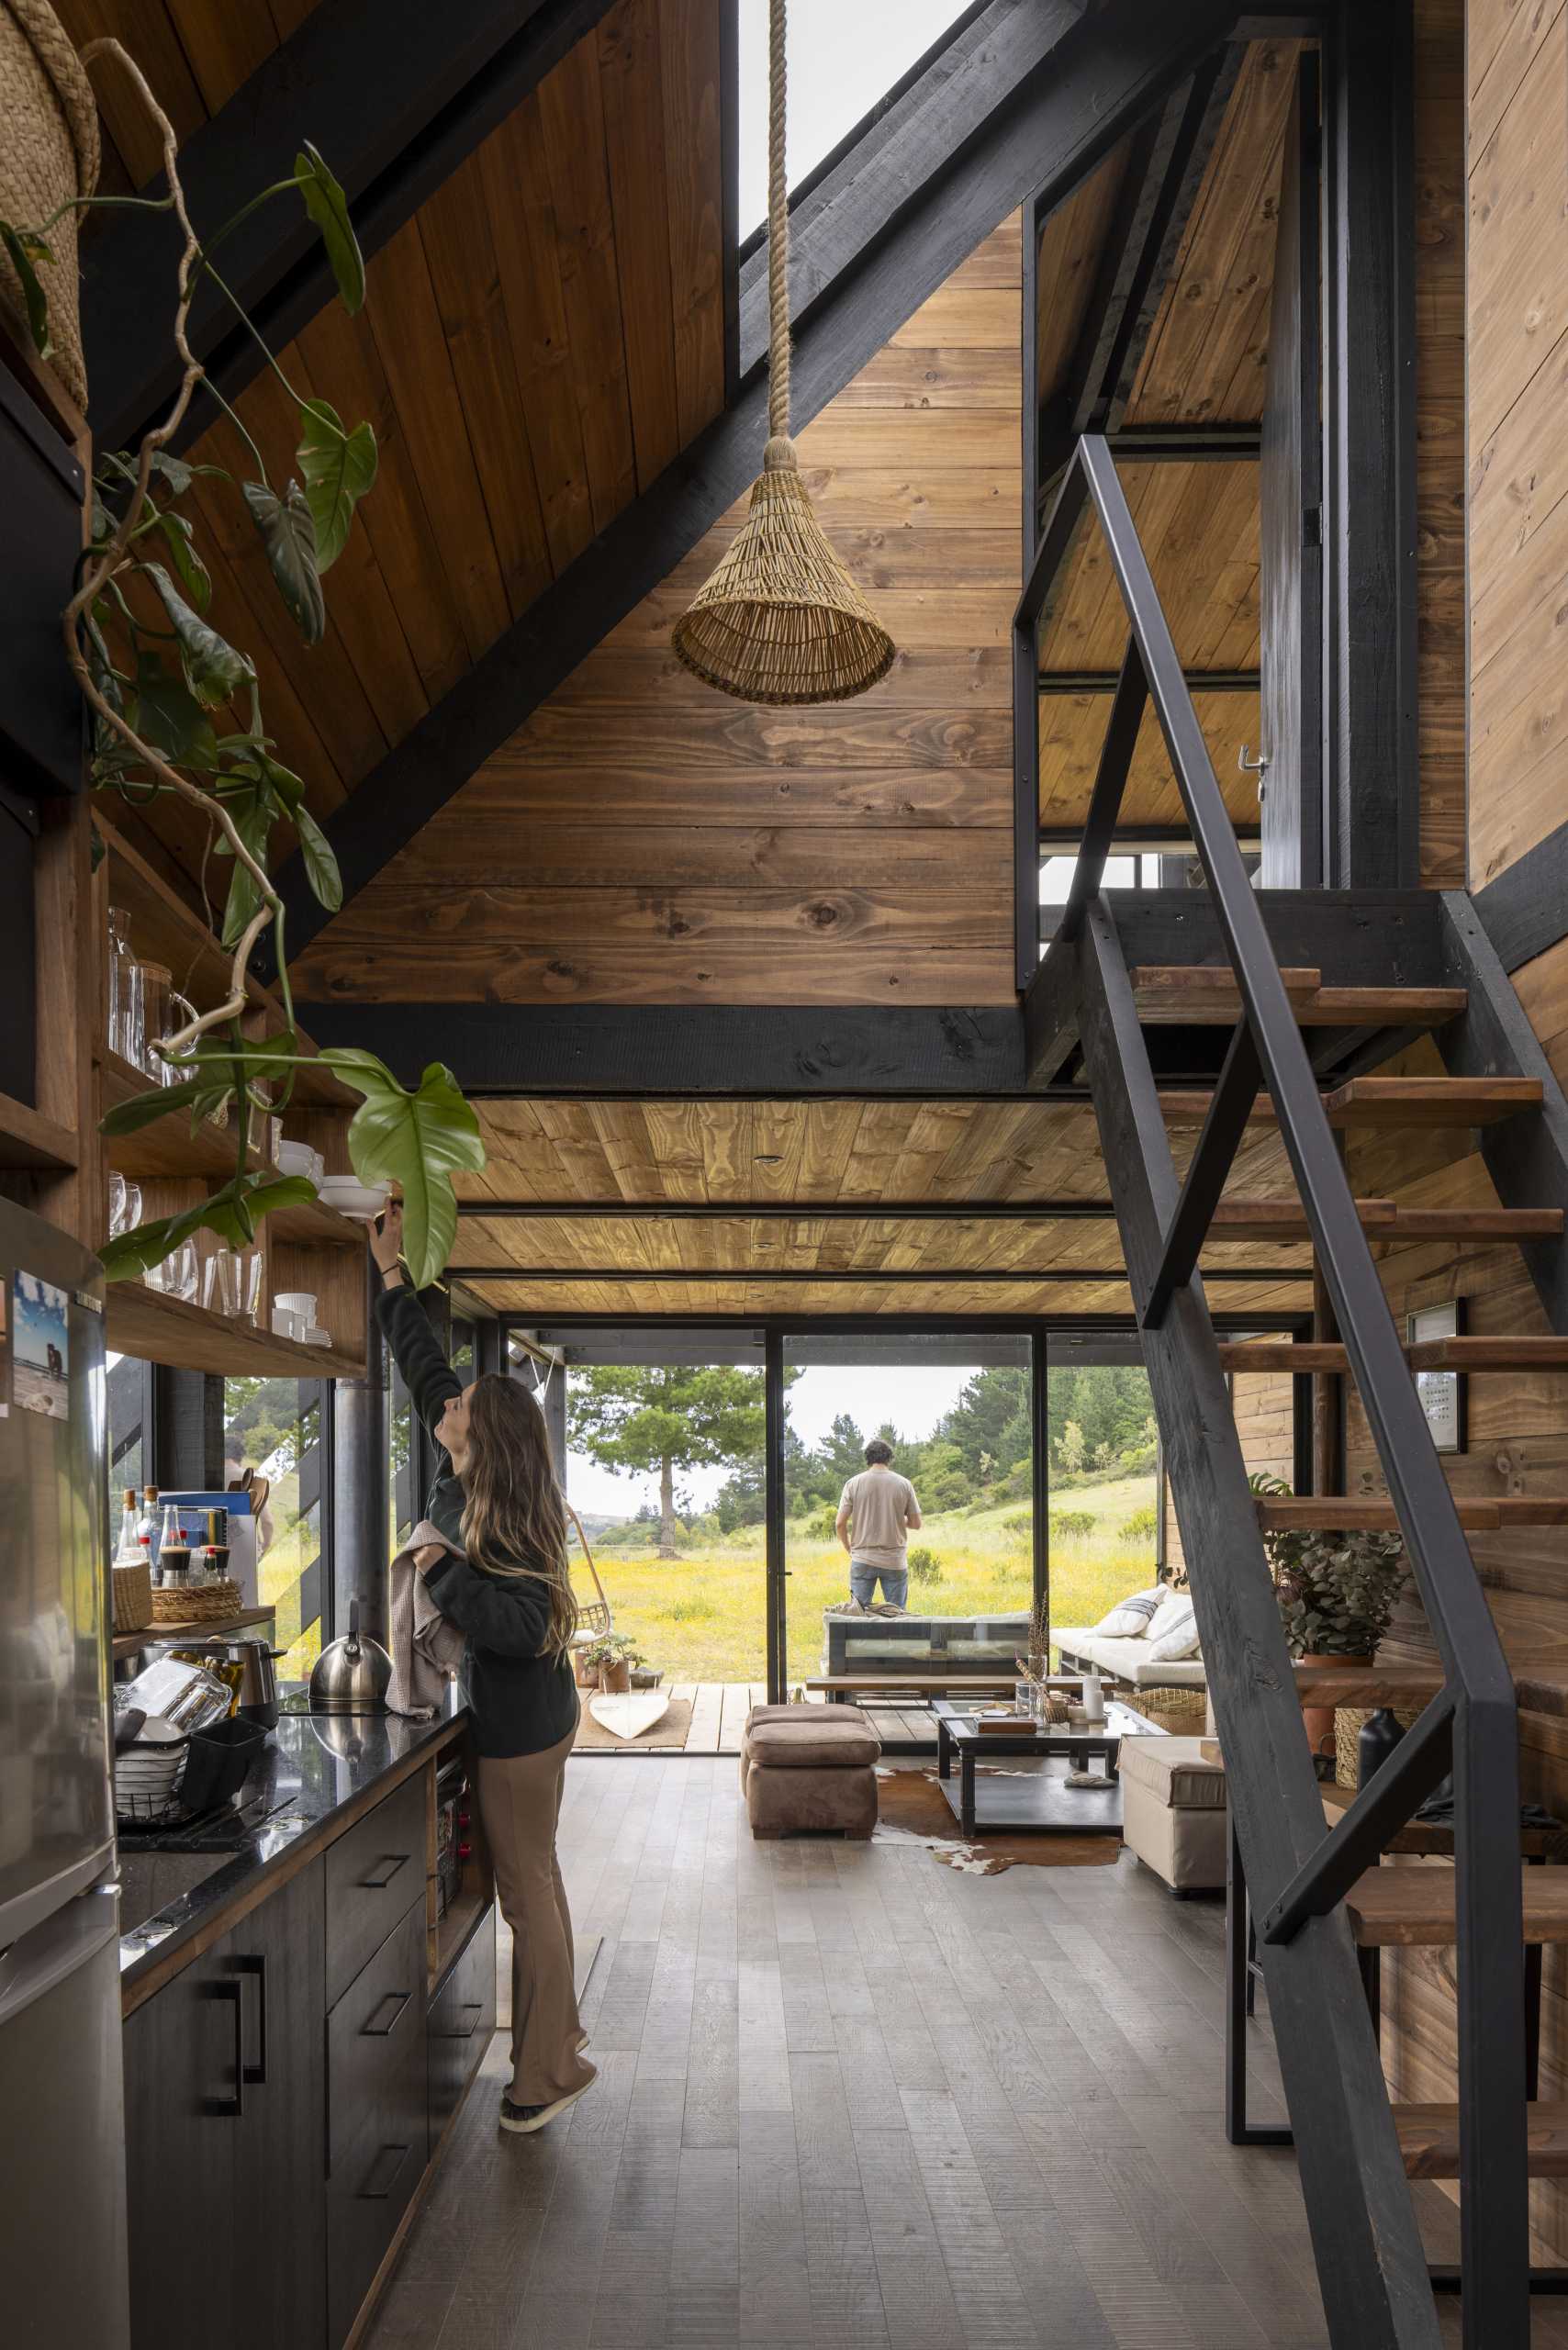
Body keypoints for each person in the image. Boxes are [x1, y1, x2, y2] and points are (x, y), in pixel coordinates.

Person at [370, 1200, 595, 2137]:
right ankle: (559, 2045)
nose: (443, 1405)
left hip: (526, 1725)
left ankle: (546, 2071)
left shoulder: (501, 1517)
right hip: (526, 1718)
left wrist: (442, 1572)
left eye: (458, 1407)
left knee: (526, 1887)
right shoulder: (469, 1468)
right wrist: (389, 1272)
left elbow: (520, 1620)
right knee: (534, 1881)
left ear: (482, 1435)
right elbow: (424, 1366)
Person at [835, 1438, 922, 1615]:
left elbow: (839, 1523)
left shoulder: (853, 1484)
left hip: (862, 1558)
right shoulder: (904, 1484)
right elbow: (916, 1523)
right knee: (897, 1616)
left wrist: (849, 1549)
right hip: (894, 1560)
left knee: (857, 1616)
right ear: (889, 1458)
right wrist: (896, 1519)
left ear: (867, 1459)